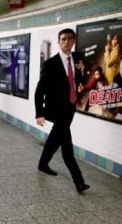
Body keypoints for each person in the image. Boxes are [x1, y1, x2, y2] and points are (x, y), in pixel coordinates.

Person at [35, 28, 90, 193]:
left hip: (70, 108)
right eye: (63, 39)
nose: (67, 42)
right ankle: (79, 182)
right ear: (59, 42)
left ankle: (43, 164)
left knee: (55, 138)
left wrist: (81, 71)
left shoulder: (78, 58)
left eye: (70, 39)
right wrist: (39, 113)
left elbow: (78, 80)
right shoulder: (50, 64)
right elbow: (40, 90)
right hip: (56, 110)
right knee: (67, 145)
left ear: (74, 41)